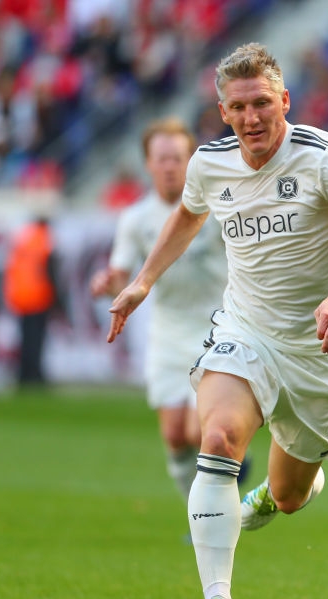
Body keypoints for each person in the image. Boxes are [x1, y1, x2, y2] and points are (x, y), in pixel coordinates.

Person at [105, 43, 328, 599]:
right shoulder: (210, 164)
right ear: (222, 112)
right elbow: (189, 215)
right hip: (246, 328)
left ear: (284, 101)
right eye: (238, 107)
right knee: (216, 440)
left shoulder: (327, 157)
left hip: (324, 348)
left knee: (291, 495)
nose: (252, 117)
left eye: (262, 102)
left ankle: (274, 493)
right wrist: (142, 280)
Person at [90, 117, 230, 510]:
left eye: (178, 158)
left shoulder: (215, 208)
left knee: (198, 430)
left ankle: (216, 507)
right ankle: (199, 515)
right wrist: (108, 284)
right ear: (148, 164)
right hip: (169, 332)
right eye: (162, 158)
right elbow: (122, 277)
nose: (170, 166)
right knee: (174, 436)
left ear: (190, 162)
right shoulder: (136, 219)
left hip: (217, 327)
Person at [3, 215, 63, 386]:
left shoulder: (24, 238)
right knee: (36, 339)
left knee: (25, 338)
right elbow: (49, 270)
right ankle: (35, 375)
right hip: (38, 295)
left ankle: (23, 374)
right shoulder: (44, 238)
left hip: (20, 295)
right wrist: (57, 298)